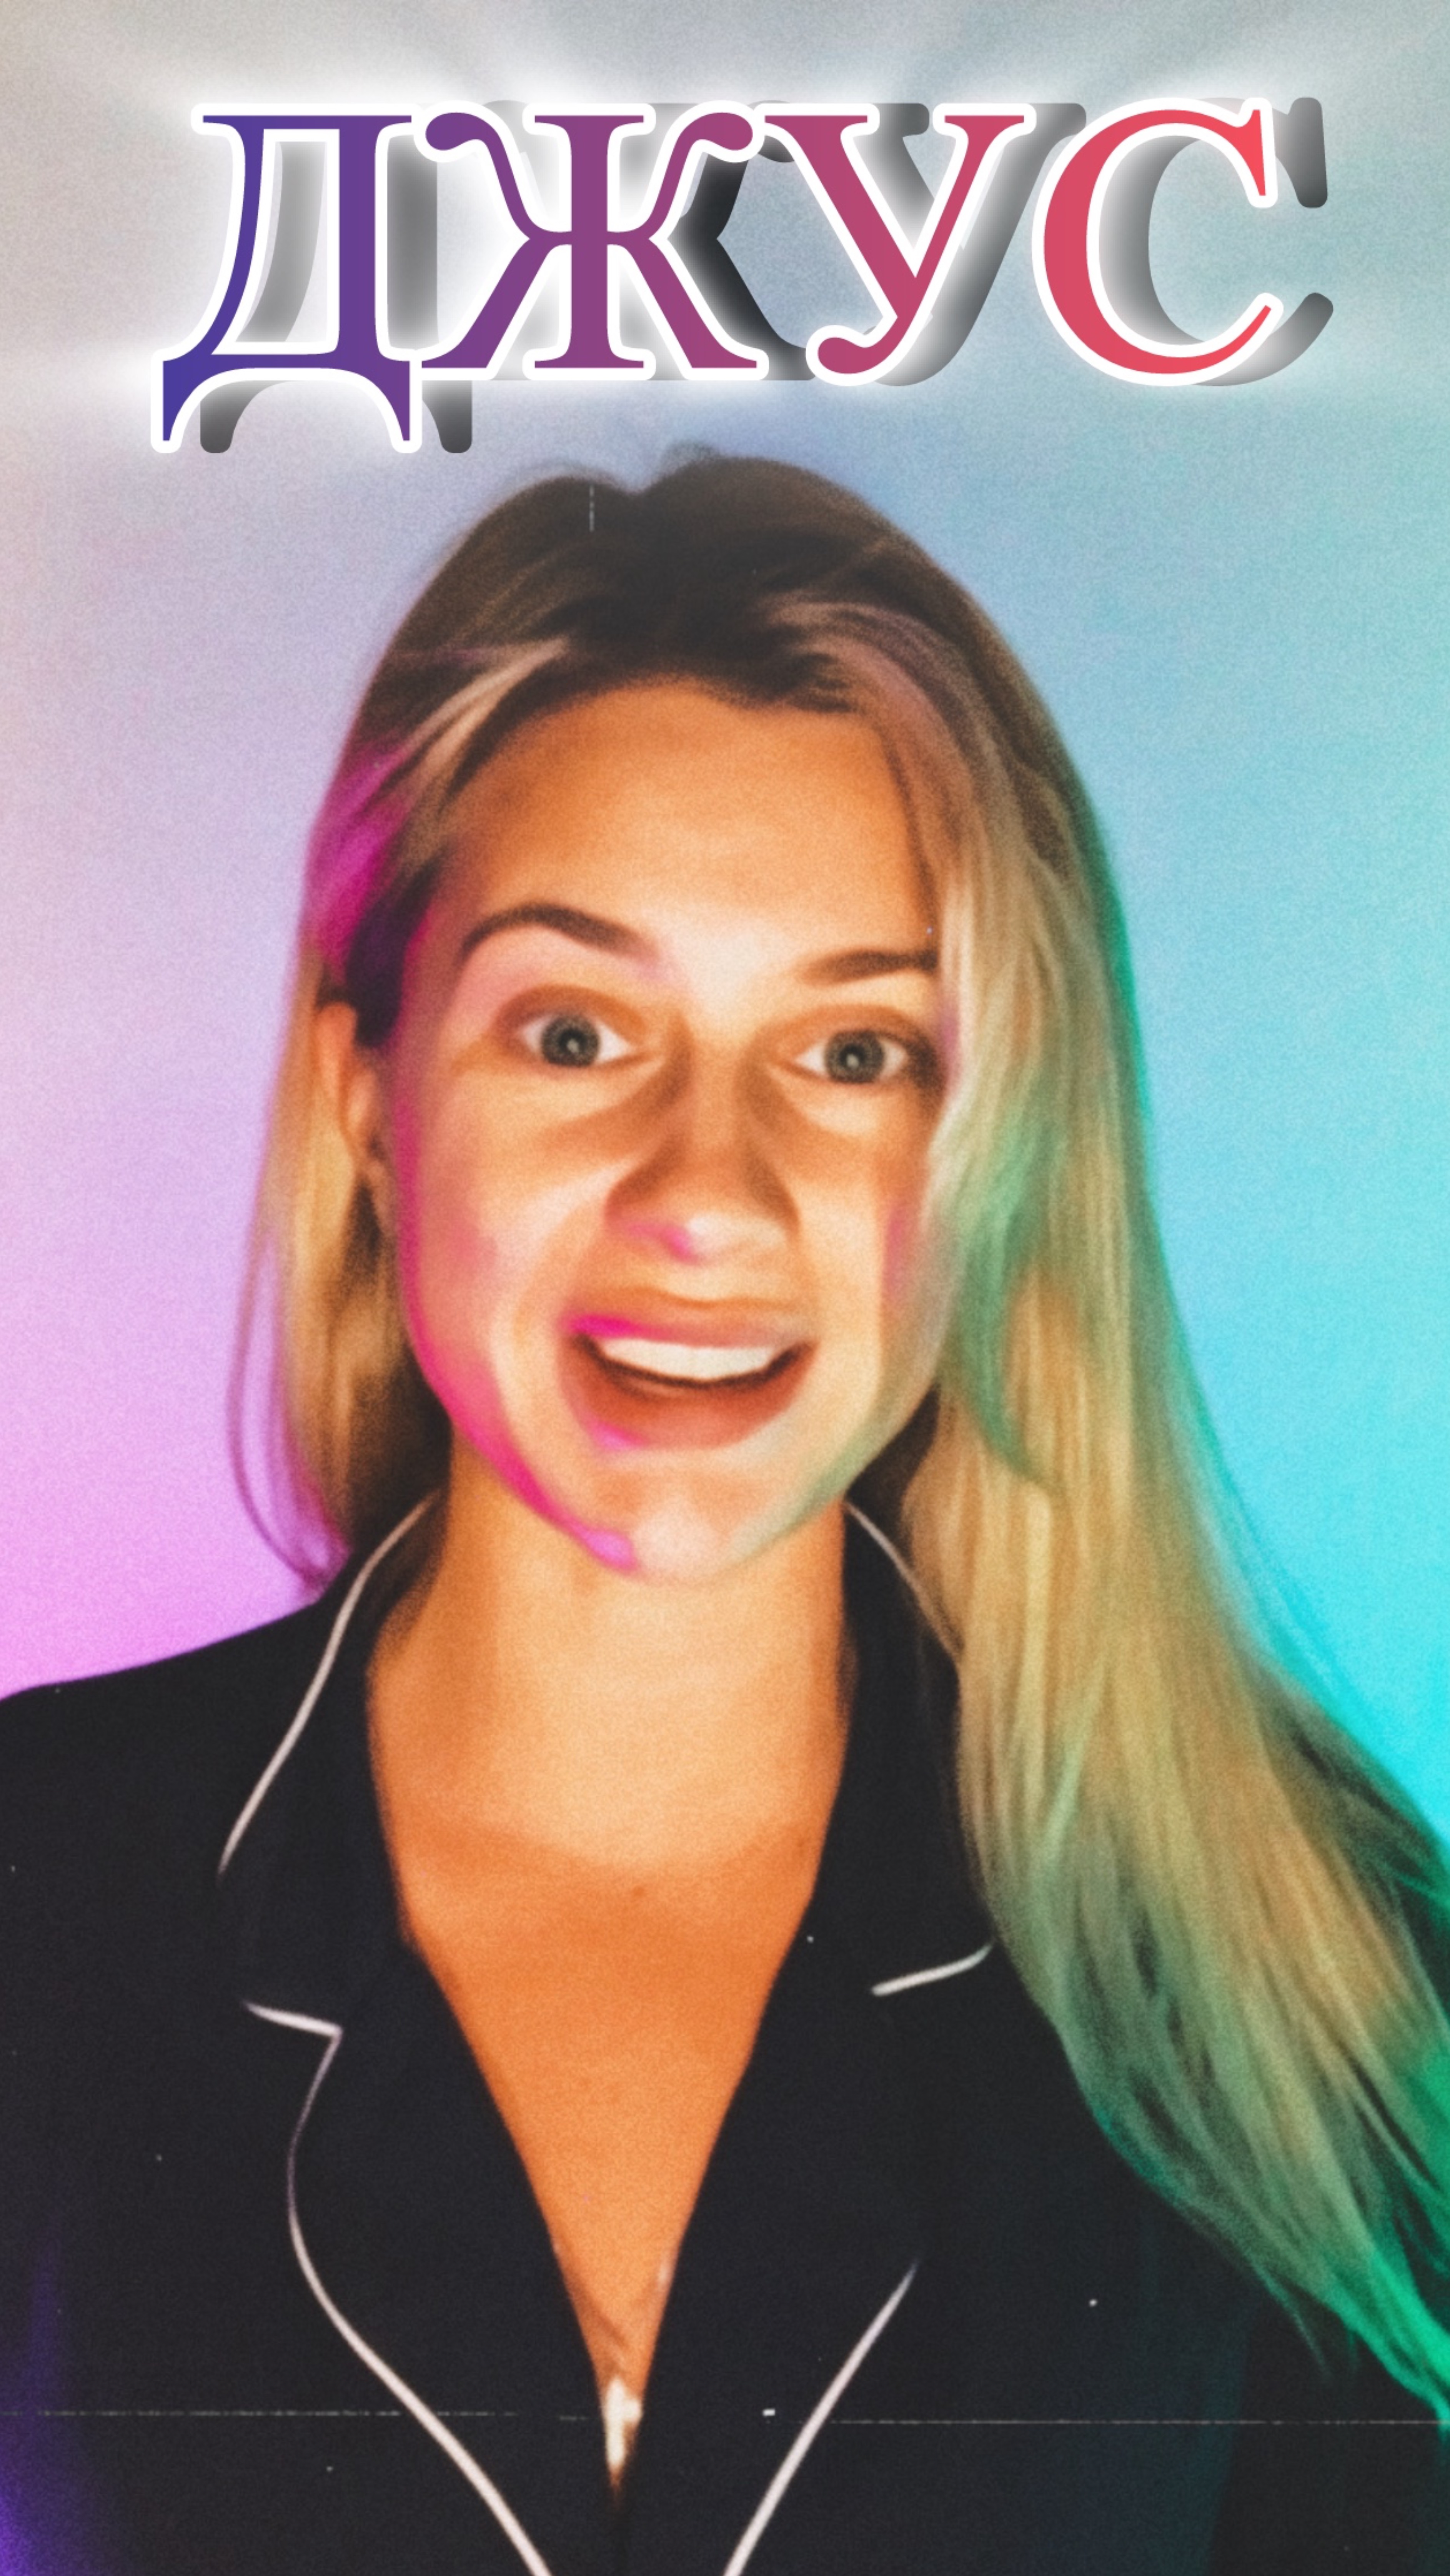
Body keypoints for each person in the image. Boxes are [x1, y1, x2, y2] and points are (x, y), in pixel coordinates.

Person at [1, 455, 1447, 2576]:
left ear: (1004, 1150)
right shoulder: (39, 1887)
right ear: (369, 1101)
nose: (707, 1195)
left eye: (857, 1055)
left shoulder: (1313, 1971)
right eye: (577, 1032)